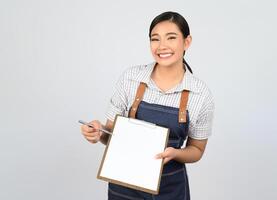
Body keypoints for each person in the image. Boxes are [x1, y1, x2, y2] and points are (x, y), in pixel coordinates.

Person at [80, 11, 214, 200]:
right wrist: (98, 131)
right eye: (155, 39)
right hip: (124, 186)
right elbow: (109, 133)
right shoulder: (131, 79)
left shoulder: (200, 94)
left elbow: (197, 150)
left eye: (171, 37)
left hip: (170, 189)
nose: (162, 46)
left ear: (187, 42)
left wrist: (175, 153)